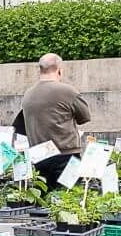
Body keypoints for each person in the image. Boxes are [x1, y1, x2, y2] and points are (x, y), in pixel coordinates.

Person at [18, 54, 91, 186]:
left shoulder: (28, 94)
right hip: (65, 155)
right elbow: (85, 117)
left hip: (38, 157)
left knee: (43, 201)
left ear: (40, 70)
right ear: (59, 70)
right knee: (69, 198)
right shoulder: (68, 91)